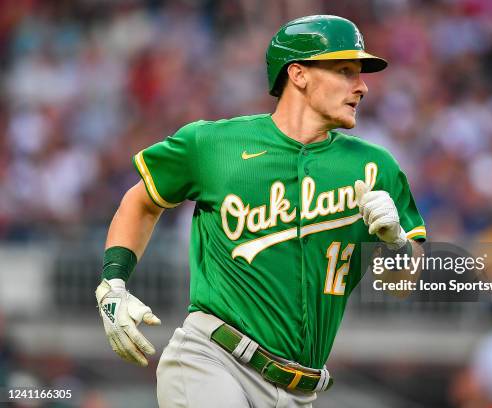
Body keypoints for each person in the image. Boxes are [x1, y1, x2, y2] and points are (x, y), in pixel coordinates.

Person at [95, 15, 426, 408]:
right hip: (213, 359)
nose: (362, 86)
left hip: (300, 392)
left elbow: (405, 281)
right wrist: (113, 283)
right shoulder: (214, 144)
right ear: (298, 74)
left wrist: (397, 244)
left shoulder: (377, 167)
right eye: (344, 71)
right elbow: (142, 201)